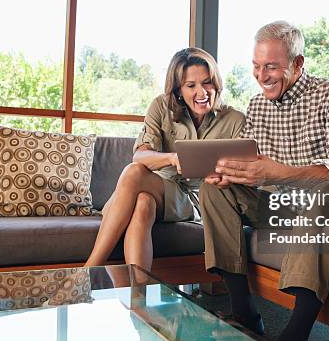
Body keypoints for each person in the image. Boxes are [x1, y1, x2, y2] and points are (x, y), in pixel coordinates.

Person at [200, 21, 329, 341]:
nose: (261, 76)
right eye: (256, 66)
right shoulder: (258, 105)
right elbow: (254, 165)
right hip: (281, 209)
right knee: (214, 190)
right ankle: (245, 315)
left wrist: (279, 174)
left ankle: (294, 338)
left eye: (271, 67)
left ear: (297, 63)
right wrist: (231, 174)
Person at [84, 48, 245, 273]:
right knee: (142, 201)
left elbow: (243, 174)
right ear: (178, 89)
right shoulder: (161, 106)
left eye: (207, 82)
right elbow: (140, 155)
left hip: (197, 198)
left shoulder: (235, 120)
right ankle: (136, 297)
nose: (202, 92)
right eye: (191, 86)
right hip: (161, 188)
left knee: (135, 180)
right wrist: (171, 158)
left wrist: (222, 175)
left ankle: (89, 270)